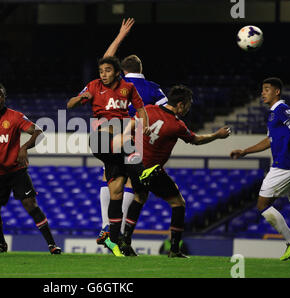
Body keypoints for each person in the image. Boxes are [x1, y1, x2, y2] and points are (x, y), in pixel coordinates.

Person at [118, 85, 231, 257]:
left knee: (139, 197)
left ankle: (125, 242)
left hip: (135, 164)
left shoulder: (148, 109)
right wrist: (217, 135)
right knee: (179, 203)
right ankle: (175, 250)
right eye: (188, 104)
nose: (188, 108)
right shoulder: (176, 124)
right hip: (152, 170)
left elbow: (131, 127)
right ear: (180, 105)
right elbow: (196, 140)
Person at [67, 56, 151, 256]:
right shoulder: (94, 86)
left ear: (116, 72)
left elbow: (141, 110)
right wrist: (80, 99)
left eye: (107, 70)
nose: (103, 74)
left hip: (118, 146)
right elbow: (70, 104)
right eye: (101, 71)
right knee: (125, 141)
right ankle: (144, 173)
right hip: (100, 139)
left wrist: (145, 125)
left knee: (117, 191)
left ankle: (115, 242)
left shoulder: (127, 88)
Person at [97, 18, 168, 249]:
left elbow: (107, 59)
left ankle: (106, 226)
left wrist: (120, 36)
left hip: (113, 133)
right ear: (141, 70)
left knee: (109, 178)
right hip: (139, 138)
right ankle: (119, 236)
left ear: (122, 70)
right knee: (132, 185)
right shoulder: (154, 88)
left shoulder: (119, 82)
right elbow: (166, 113)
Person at [230, 77, 290, 262]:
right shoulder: (273, 114)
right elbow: (269, 141)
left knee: (262, 204)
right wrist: (245, 151)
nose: (263, 92)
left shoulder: (282, 109)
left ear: (277, 92)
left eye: (267, 89)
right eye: (262, 89)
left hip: (284, 166)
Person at [0, 81, 61, 254]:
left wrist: (24, 147)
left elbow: (38, 132)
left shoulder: (15, 117)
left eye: (0, 96)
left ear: (4, 98)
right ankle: (1, 244)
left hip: (16, 171)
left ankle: (52, 245)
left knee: (31, 204)